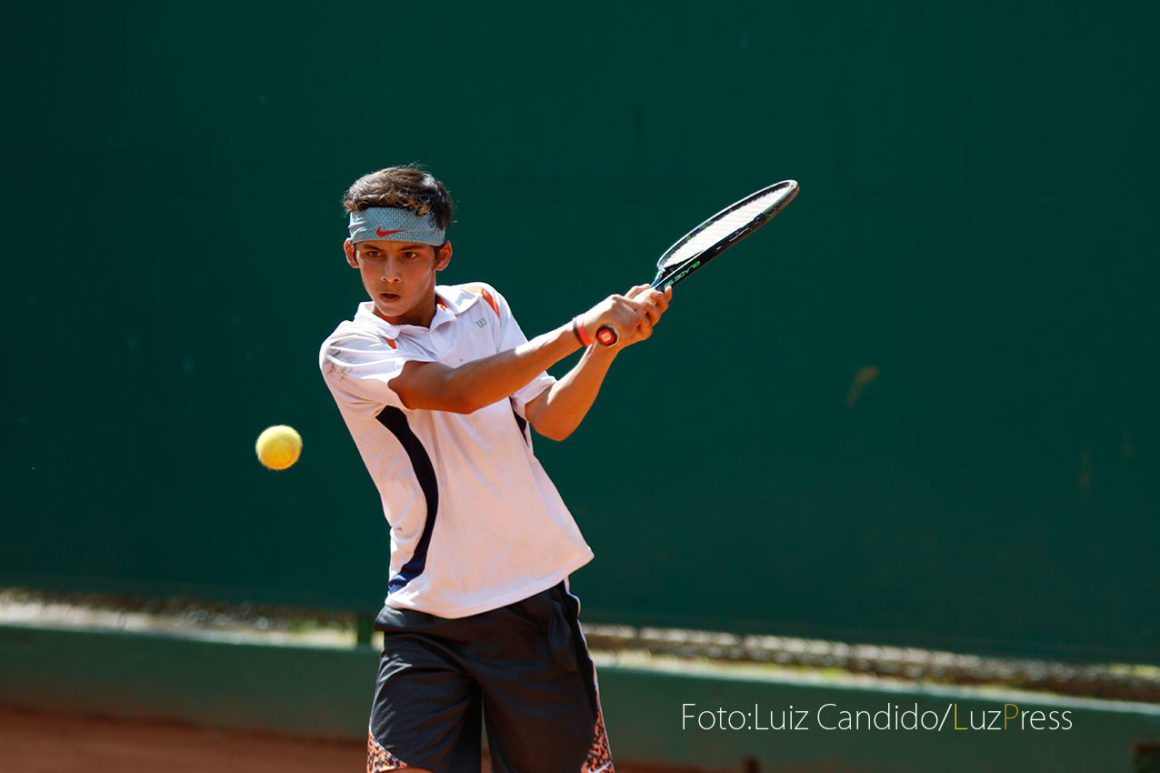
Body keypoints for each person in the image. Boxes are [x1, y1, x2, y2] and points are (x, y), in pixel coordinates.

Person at [319, 165, 670, 773]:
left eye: (409, 254)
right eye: (373, 254)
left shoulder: (483, 306)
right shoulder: (349, 349)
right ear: (352, 254)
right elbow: (455, 391)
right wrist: (579, 329)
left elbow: (552, 416)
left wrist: (602, 346)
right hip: (427, 616)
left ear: (442, 255)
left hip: (532, 604)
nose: (390, 273)